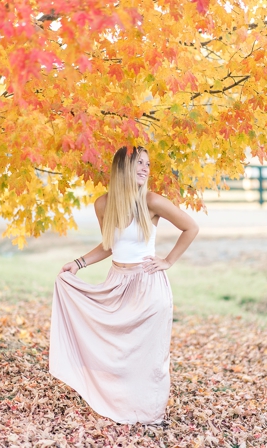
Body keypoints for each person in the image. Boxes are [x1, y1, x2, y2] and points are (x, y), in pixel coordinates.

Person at [49, 146, 199, 425]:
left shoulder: (152, 201)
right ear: (122, 168)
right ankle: (117, 404)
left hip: (149, 286)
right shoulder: (103, 204)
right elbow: (109, 245)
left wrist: (168, 260)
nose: (145, 168)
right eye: (138, 163)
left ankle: (148, 413)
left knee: (148, 357)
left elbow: (191, 227)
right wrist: (79, 263)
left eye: (147, 163)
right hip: (116, 283)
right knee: (116, 350)